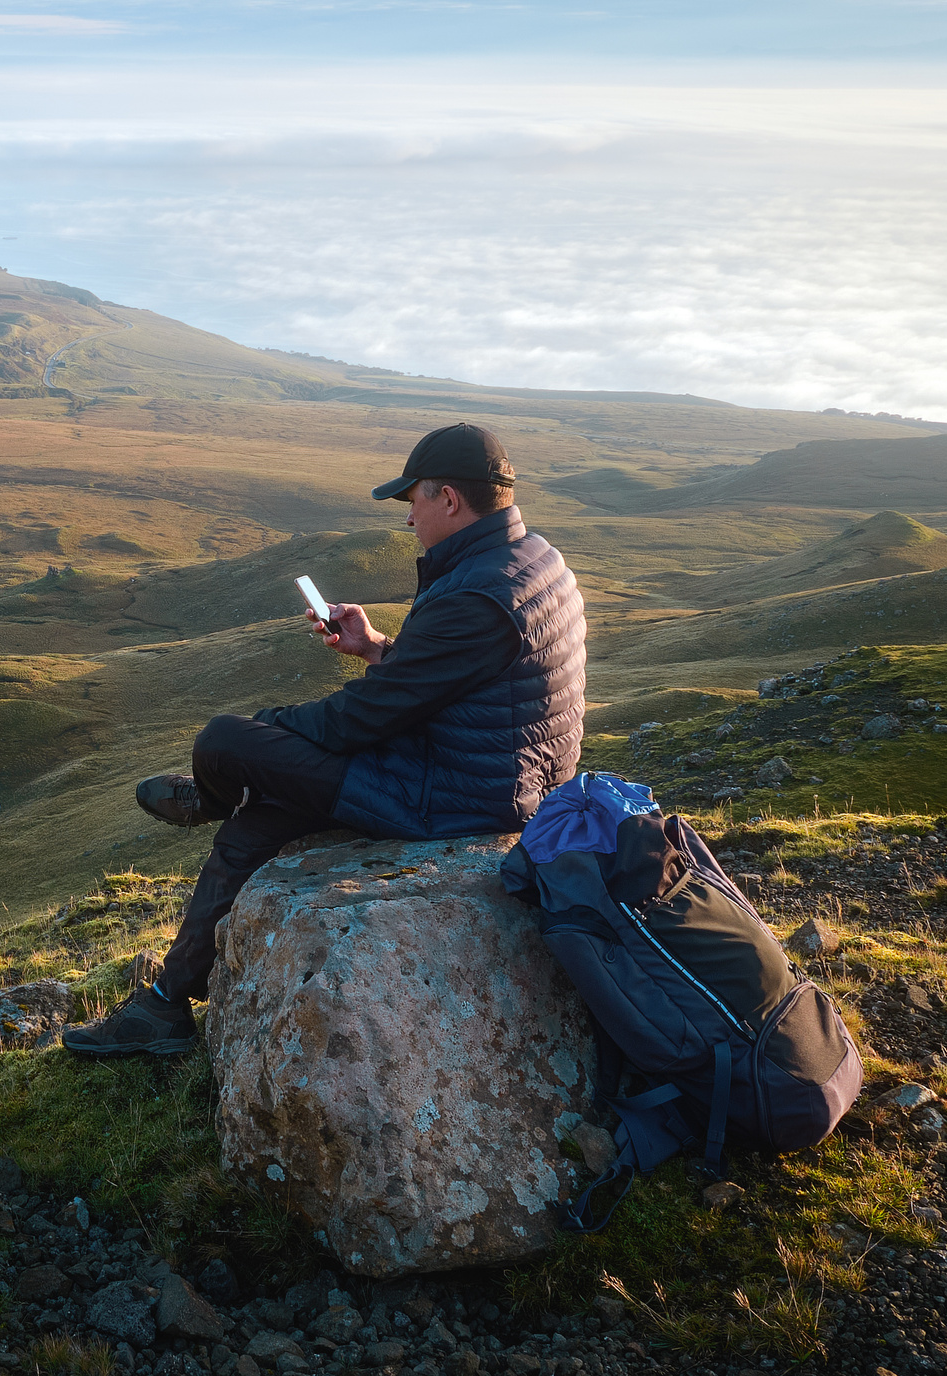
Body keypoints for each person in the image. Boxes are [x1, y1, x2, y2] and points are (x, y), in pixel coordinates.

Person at [62, 422, 586, 1057]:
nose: (407, 517)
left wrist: (266, 731)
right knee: (266, 812)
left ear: (448, 499)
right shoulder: (529, 559)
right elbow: (457, 681)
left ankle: (210, 797)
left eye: (412, 499)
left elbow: (356, 723)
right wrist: (375, 648)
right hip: (476, 769)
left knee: (225, 740)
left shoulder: (479, 592)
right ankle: (165, 1007)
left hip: (454, 795)